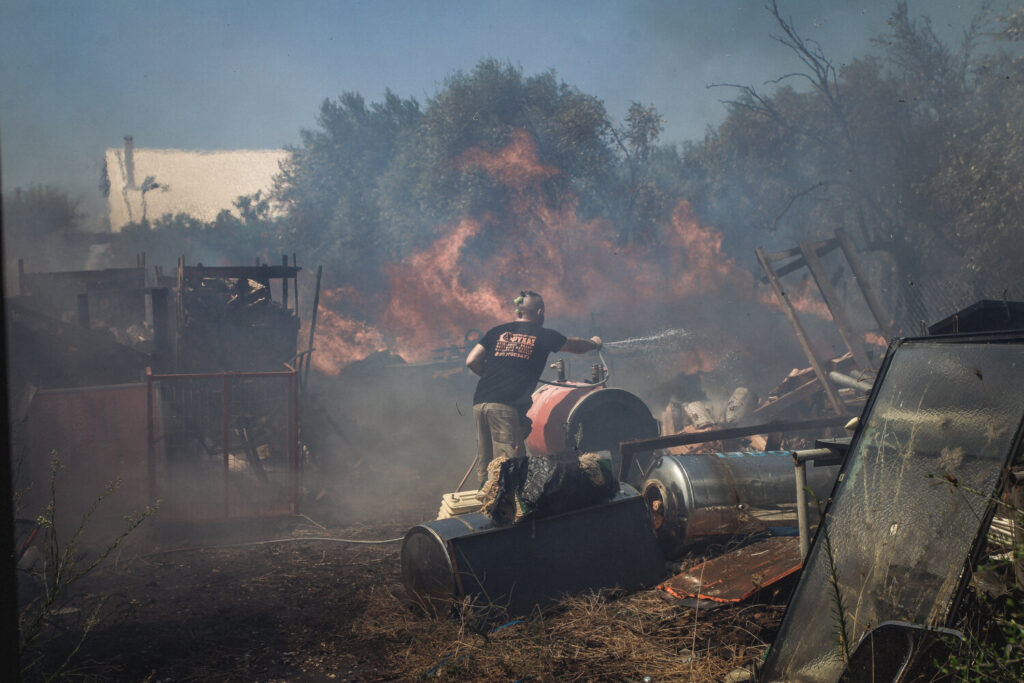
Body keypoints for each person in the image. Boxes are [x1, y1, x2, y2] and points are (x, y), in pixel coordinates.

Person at [465, 290, 602, 487]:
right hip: (505, 407)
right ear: (539, 312)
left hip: (480, 403)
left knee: (487, 463)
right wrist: (594, 343)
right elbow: (576, 346)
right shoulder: (543, 335)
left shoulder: (497, 331)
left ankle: (484, 505)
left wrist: (493, 378)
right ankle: (511, 511)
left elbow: (471, 361)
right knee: (510, 465)